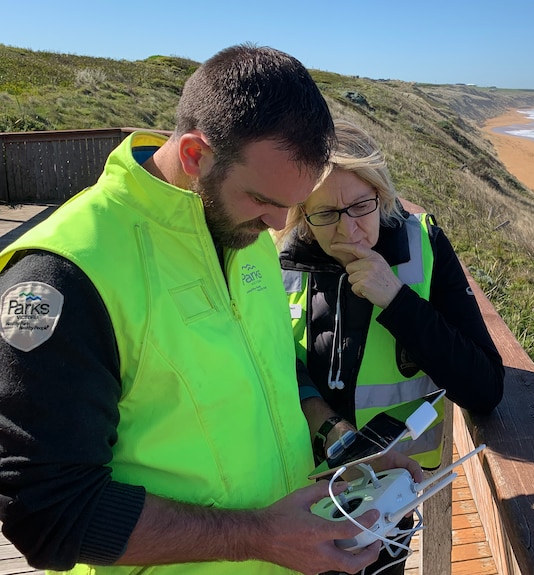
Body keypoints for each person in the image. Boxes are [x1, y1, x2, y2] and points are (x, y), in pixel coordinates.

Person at [0, 44, 416, 575]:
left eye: (293, 202)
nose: (278, 222)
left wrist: (339, 453)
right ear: (196, 155)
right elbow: (48, 512)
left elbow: (267, 364)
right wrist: (257, 537)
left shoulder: (246, 234)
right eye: (264, 199)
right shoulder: (64, 274)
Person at [275, 120, 505, 574]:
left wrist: (397, 301)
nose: (349, 232)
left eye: (361, 206)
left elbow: (486, 388)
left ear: (382, 195)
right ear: (302, 214)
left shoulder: (425, 246)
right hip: (295, 487)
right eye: (325, 214)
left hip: (392, 490)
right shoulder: (279, 261)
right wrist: (325, 425)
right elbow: (269, 358)